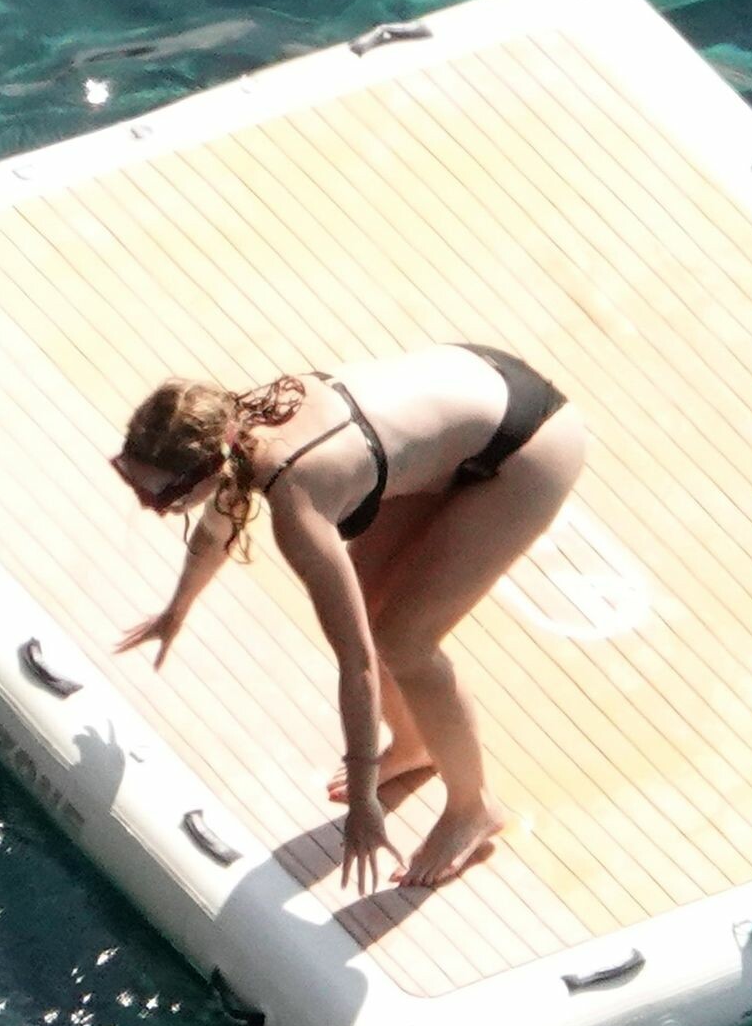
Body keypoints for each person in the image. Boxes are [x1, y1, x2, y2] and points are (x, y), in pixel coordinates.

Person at [110, 343, 588, 894]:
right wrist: (176, 610)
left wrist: (363, 798)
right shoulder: (237, 426)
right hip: (475, 398)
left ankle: (474, 808)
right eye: (133, 482)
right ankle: (415, 745)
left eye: (161, 495)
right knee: (368, 600)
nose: (148, 505)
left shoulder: (297, 494)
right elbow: (219, 524)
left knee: (403, 640)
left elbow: (356, 662)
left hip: (530, 444)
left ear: (209, 465)